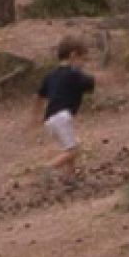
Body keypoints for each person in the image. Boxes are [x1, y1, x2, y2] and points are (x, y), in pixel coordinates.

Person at [35, 36, 95, 174]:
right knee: (72, 151)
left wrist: (35, 117)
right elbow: (93, 82)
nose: (84, 64)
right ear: (73, 55)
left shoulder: (51, 75)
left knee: (70, 146)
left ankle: (71, 175)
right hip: (62, 117)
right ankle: (47, 169)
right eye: (83, 60)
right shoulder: (74, 74)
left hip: (50, 119)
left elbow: (39, 96)